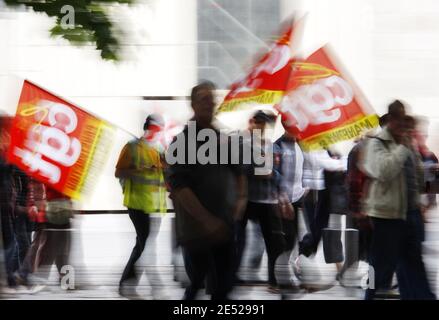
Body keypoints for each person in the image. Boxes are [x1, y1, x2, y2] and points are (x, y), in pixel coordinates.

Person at [166, 81, 246, 300]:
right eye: (203, 99)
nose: (209, 103)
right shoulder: (182, 142)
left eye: (212, 99)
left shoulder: (222, 138)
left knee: (223, 286)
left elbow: (239, 171)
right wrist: (207, 221)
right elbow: (180, 188)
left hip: (224, 226)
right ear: (192, 104)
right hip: (196, 230)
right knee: (198, 282)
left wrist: (241, 200)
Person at [361, 100, 410, 300]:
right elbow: (384, 171)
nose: (402, 126)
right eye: (398, 121)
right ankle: (369, 295)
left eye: (404, 121)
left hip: (401, 213)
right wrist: (401, 149)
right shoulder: (377, 143)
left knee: (399, 261)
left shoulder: (403, 142)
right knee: (377, 261)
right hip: (382, 213)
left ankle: (383, 290)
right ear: (390, 120)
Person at [115, 114, 167, 298]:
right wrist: (141, 171)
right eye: (154, 127)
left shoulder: (161, 148)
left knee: (144, 243)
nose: (157, 131)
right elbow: (119, 171)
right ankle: (143, 283)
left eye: (159, 128)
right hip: (137, 203)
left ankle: (129, 282)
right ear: (146, 127)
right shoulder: (132, 147)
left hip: (155, 204)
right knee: (145, 243)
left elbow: (167, 174)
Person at [234, 109, 285, 292]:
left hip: (267, 201)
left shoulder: (271, 146)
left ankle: (274, 280)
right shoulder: (242, 144)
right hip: (247, 199)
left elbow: (278, 174)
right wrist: (261, 168)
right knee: (239, 239)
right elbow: (241, 170)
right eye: (256, 122)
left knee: (272, 243)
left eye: (262, 123)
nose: (259, 126)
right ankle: (232, 276)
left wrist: (271, 174)